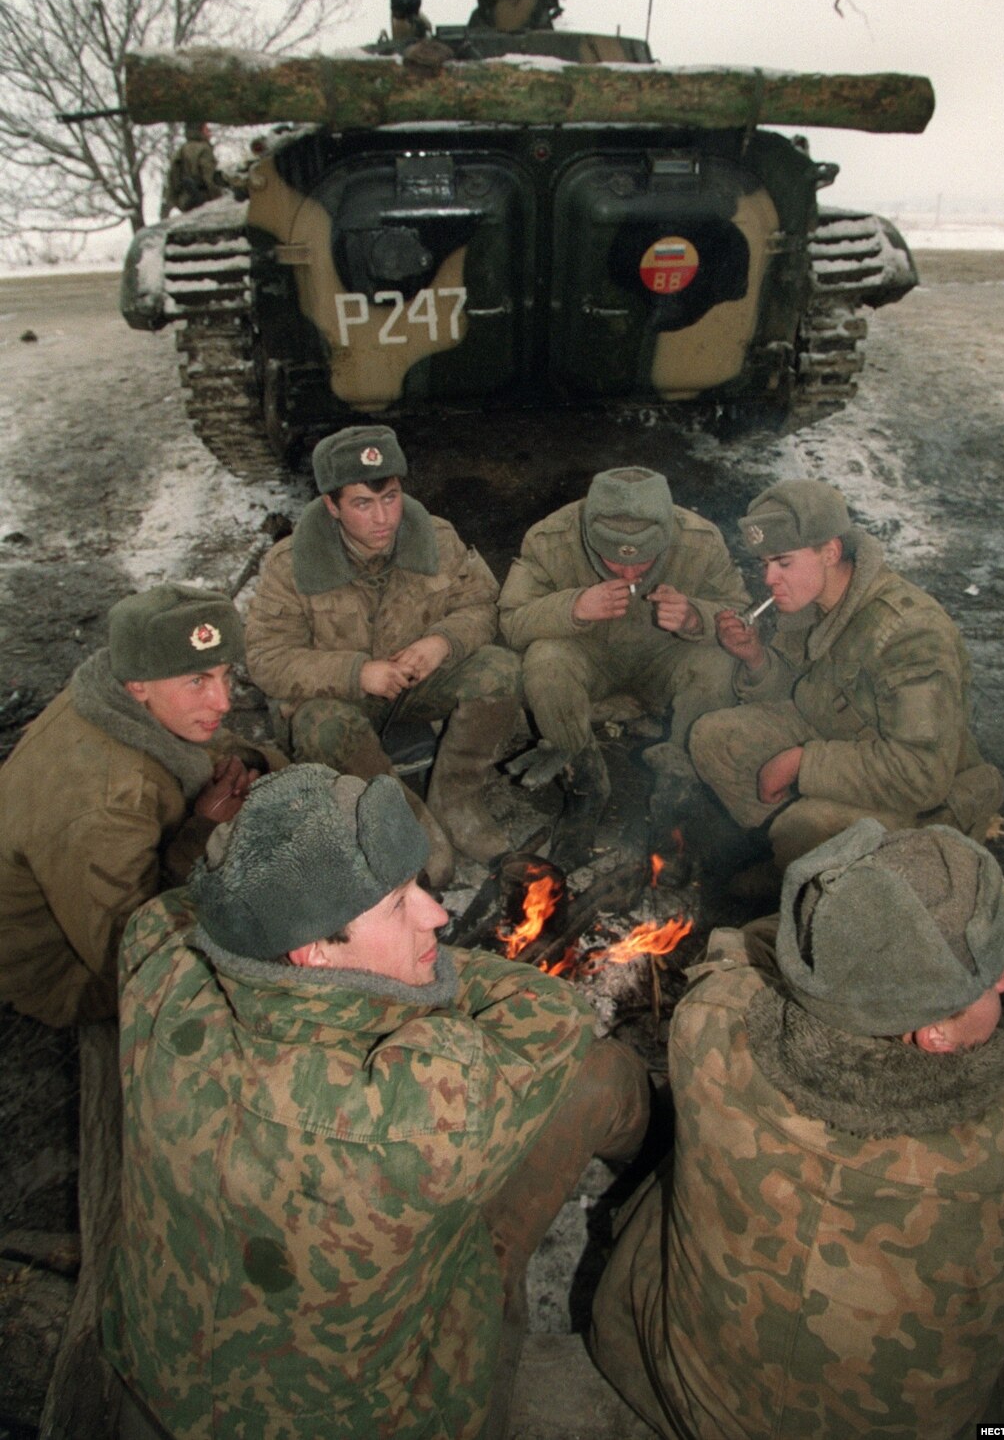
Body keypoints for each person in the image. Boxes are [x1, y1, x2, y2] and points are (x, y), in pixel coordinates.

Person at [102, 763, 649, 1440]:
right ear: (312, 954)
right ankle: (654, 1180)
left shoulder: (154, 961)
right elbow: (553, 1012)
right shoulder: (418, 1112)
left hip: (165, 1371)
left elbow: (177, 907)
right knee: (602, 1077)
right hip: (368, 1415)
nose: (439, 913)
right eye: (398, 903)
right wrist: (422, 976)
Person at [590, 818, 1004, 1438]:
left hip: (668, 1384)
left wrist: (857, 936)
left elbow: (745, 946)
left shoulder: (712, 1025)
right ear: (934, 1038)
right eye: (991, 981)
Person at [244, 424, 523, 876]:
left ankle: (456, 804)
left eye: (390, 497)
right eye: (362, 504)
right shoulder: (290, 565)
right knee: (321, 726)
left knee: (500, 670)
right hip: (342, 703)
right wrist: (357, 673)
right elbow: (265, 659)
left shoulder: (436, 537)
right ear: (331, 506)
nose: (383, 519)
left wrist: (441, 642)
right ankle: (406, 825)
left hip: (415, 687)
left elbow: (482, 605)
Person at [689, 478, 1003, 874]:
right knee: (716, 739)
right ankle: (793, 868)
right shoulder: (813, 604)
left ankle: (834, 879)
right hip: (844, 747)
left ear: (831, 552)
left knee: (805, 827)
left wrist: (802, 764)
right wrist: (754, 657)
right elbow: (802, 694)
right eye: (765, 564)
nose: (769, 580)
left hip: (924, 802)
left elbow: (923, 775)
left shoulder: (910, 631)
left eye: (783, 562)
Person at [0, 583, 275, 1026]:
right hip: (71, 976)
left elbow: (215, 745)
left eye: (226, 674)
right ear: (138, 686)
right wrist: (204, 830)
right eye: (197, 681)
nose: (223, 700)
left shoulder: (118, 698)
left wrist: (267, 768)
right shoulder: (105, 802)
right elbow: (132, 952)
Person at [497, 466, 749, 869]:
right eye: (612, 561)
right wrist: (573, 607)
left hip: (666, 660)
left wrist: (695, 617)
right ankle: (586, 788)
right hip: (590, 657)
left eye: (643, 561)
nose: (630, 574)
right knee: (545, 659)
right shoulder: (551, 538)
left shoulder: (700, 539)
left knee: (718, 665)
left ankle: (673, 794)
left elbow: (742, 616)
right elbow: (510, 622)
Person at [164, 121, 225, 213]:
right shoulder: (204, 149)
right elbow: (210, 179)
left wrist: (178, 201)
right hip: (203, 201)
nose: (209, 133)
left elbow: (172, 179)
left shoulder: (181, 150)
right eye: (206, 130)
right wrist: (220, 200)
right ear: (199, 131)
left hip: (185, 201)